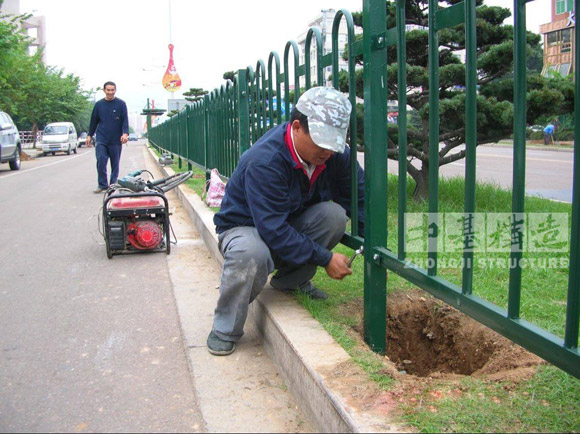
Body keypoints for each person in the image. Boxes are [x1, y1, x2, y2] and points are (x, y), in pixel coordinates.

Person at [207, 87, 365, 356]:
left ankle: (292, 281)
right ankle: (225, 328)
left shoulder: (333, 154)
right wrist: (325, 258)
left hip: (287, 221)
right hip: (245, 228)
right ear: (296, 127)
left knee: (334, 215)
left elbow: (359, 195)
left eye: (333, 142)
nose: (328, 150)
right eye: (321, 141)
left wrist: (370, 240)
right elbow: (273, 230)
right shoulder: (265, 161)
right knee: (251, 252)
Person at [87, 81, 129, 193]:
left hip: (115, 140)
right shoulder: (99, 105)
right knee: (101, 160)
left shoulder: (121, 104)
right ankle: (102, 185)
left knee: (115, 164)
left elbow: (125, 120)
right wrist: (89, 135)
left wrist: (125, 133)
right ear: (104, 90)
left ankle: (112, 185)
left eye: (112, 90)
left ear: (115, 90)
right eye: (108, 90)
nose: (110, 92)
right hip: (102, 139)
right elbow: (93, 121)